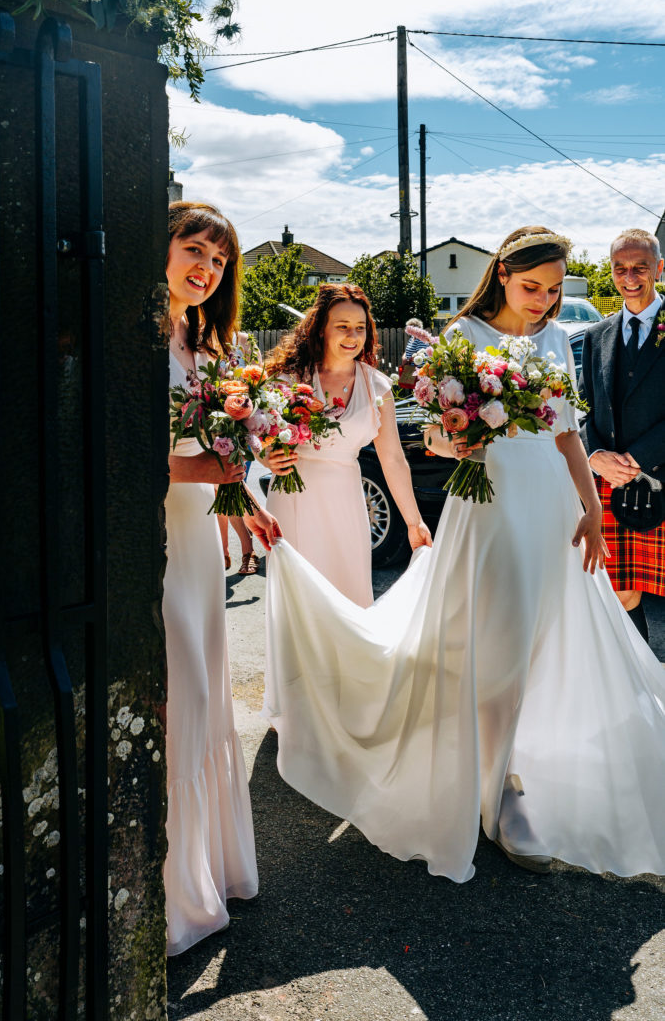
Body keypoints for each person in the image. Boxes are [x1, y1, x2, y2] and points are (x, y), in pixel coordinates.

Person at [264, 226, 665, 883]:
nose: (540, 301)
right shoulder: (462, 338)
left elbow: (566, 434)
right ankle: (497, 792)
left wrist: (591, 512)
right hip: (490, 508)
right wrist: (460, 440)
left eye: (551, 289)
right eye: (529, 286)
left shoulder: (559, 340)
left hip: (553, 509)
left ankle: (516, 765)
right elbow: (438, 443)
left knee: (542, 642)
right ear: (501, 274)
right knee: (496, 648)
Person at [164, 201, 281, 954]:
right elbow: (115, 452)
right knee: (186, 699)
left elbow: (216, 452)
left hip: (199, 539)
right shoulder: (132, 336)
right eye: (193, 249)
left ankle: (210, 869)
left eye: (218, 259)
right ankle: (169, 893)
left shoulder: (205, 349)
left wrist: (240, 497)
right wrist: (211, 469)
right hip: (153, 543)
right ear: (162, 248)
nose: (205, 268)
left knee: (209, 698)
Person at [263, 283, 431, 607]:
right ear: (321, 329)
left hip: (347, 503)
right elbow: (258, 434)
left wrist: (414, 521)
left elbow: (393, 459)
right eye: (342, 326)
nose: (352, 335)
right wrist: (266, 454)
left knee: (348, 598)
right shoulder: (289, 379)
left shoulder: (377, 387)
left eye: (360, 328)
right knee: (298, 603)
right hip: (293, 498)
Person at [579, 229, 665, 643]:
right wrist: (593, 452)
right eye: (620, 268)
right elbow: (581, 406)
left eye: (640, 267)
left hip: (658, 474)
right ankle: (640, 689)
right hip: (610, 482)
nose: (629, 276)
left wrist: (636, 460)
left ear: (659, 269)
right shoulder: (597, 335)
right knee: (622, 590)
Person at [218, 331, 262, 575]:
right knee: (216, 492)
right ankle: (223, 551)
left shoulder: (244, 342)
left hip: (240, 428)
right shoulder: (199, 340)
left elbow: (260, 389)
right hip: (209, 427)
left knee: (231, 489)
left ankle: (246, 550)